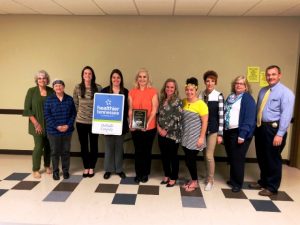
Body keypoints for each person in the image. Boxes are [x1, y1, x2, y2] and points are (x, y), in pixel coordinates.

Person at [250, 65, 295, 196]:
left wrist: (280, 134)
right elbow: (259, 110)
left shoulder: (286, 93)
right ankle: (263, 182)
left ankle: (272, 187)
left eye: (273, 74)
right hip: (261, 127)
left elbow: (286, 115)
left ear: (279, 75)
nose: (270, 77)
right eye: (268, 75)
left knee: (273, 158)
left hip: (274, 130)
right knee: (262, 157)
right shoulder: (263, 91)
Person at [223, 75, 256, 192]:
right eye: (236, 83)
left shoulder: (247, 99)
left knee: (238, 158)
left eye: (241, 83)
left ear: (246, 87)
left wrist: (242, 135)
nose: (238, 85)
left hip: (240, 132)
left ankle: (237, 183)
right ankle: (233, 180)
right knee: (232, 157)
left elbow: (249, 119)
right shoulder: (231, 97)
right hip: (229, 131)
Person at [128, 68, 158, 183]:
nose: (142, 79)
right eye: (140, 77)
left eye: (144, 77)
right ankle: (138, 173)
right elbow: (130, 109)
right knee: (138, 151)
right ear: (137, 79)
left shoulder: (153, 92)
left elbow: (154, 109)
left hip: (149, 128)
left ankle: (145, 173)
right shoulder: (132, 92)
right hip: (135, 127)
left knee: (146, 151)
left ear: (148, 78)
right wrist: (131, 122)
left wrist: (147, 124)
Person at [23, 70, 54, 179]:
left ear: (47, 80)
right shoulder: (31, 91)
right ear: (37, 80)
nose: (42, 80)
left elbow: (54, 107)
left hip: (50, 124)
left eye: (44, 78)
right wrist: (36, 124)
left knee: (49, 146)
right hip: (36, 123)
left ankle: (47, 165)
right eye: (39, 78)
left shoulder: (51, 91)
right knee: (39, 146)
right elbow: (27, 109)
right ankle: (35, 169)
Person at [44, 79, 76, 180]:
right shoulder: (49, 100)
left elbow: (73, 114)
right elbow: (47, 115)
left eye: (60, 85)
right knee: (55, 152)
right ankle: (56, 172)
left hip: (67, 130)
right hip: (53, 131)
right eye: (56, 86)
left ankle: (65, 171)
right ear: (53, 88)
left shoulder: (69, 99)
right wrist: (57, 126)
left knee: (65, 151)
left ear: (63, 87)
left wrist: (68, 125)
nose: (58, 87)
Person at [73, 66, 102, 178]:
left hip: (95, 122)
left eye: (90, 73)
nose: (87, 75)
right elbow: (75, 103)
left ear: (92, 75)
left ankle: (92, 167)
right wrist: (80, 115)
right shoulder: (78, 88)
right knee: (84, 145)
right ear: (83, 75)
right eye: (85, 73)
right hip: (81, 122)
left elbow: (101, 103)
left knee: (94, 145)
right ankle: (86, 167)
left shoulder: (98, 88)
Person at [181, 77, 208, 192]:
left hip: (196, 137)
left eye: (192, 90)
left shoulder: (201, 104)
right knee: (188, 160)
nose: (189, 92)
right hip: (185, 136)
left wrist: (201, 138)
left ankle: (195, 182)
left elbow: (205, 122)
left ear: (196, 90)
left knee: (190, 160)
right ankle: (192, 179)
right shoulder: (184, 101)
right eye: (187, 90)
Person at [199, 70, 224, 191]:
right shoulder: (201, 94)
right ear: (205, 82)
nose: (210, 83)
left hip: (213, 130)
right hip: (202, 129)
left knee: (209, 155)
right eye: (208, 81)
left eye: (212, 81)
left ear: (215, 82)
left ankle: (211, 179)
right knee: (204, 155)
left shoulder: (218, 95)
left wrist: (220, 134)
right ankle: (207, 175)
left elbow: (221, 116)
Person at [101, 69, 129, 179]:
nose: (116, 79)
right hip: (108, 125)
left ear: (121, 79)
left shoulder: (125, 92)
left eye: (118, 77)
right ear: (111, 79)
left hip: (121, 125)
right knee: (108, 147)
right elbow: (101, 108)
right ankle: (108, 169)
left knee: (118, 147)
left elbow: (128, 109)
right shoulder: (104, 91)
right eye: (114, 77)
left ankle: (119, 169)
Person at [157, 78, 182, 187]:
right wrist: (158, 128)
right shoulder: (162, 100)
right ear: (165, 88)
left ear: (175, 89)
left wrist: (165, 130)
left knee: (173, 156)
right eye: (167, 87)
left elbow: (176, 118)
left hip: (172, 134)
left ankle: (173, 177)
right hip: (160, 133)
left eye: (172, 87)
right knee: (164, 155)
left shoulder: (178, 101)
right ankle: (166, 175)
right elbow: (158, 115)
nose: (169, 89)